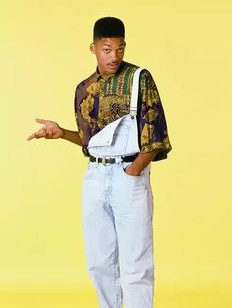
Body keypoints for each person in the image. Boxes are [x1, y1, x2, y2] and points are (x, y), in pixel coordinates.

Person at [27, 17, 172, 308]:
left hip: (128, 176)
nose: (114, 56)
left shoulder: (138, 79)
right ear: (93, 48)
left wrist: (132, 172)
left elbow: (155, 137)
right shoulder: (84, 89)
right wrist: (61, 133)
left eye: (119, 49)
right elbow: (90, 140)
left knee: (136, 263)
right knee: (100, 262)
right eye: (107, 49)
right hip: (94, 176)